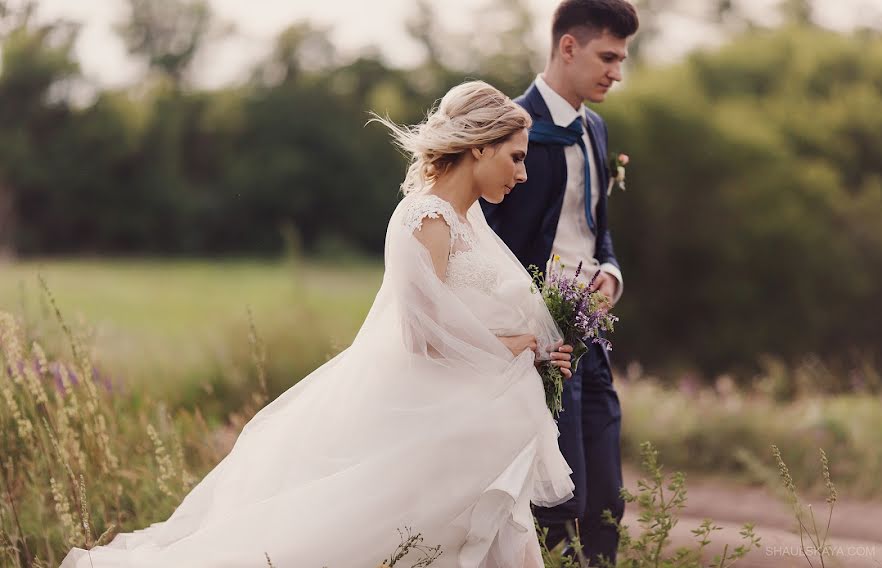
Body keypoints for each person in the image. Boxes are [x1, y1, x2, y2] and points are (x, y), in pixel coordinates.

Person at [61, 81, 577, 568]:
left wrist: (535, 350)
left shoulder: (466, 220)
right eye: (516, 157)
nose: (523, 174)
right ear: (479, 148)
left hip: (470, 421)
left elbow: (470, 320)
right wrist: (519, 346)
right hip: (426, 420)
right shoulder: (426, 219)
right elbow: (423, 336)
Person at [481, 0, 639, 563]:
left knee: (606, 496)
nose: (616, 72)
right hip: (539, 345)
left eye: (621, 60)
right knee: (556, 500)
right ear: (567, 47)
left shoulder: (595, 129)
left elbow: (599, 235)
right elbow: (482, 239)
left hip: (593, 335)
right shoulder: (507, 127)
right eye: (607, 57)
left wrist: (611, 278)